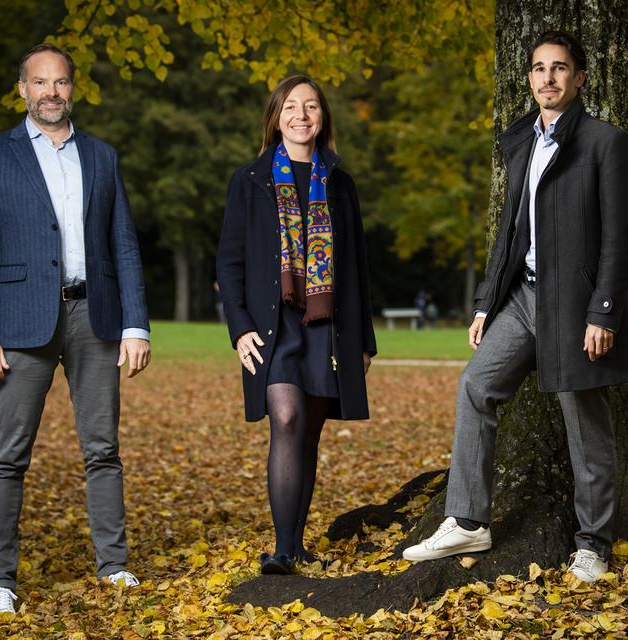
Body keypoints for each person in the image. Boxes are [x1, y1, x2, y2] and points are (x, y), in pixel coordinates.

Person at [403, 31, 628, 582]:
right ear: (528, 78)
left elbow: (621, 238)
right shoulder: (523, 141)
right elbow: (508, 233)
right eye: (539, 69)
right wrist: (485, 306)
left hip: (577, 306)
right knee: (476, 385)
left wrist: (603, 311)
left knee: (584, 420)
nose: (548, 78)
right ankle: (468, 519)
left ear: (578, 78)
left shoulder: (605, 142)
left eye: (559, 68)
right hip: (525, 298)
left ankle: (593, 544)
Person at [0, 44, 151, 615]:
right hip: (19, 322)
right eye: (40, 83)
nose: (51, 93)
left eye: (60, 83)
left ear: (72, 89)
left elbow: (124, 244)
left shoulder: (102, 157)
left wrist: (136, 324)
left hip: (95, 316)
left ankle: (114, 566)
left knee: (103, 450)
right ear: (22, 89)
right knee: (8, 455)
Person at [217, 75, 376, 575]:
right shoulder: (250, 180)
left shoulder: (340, 182)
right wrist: (239, 327)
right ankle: (283, 550)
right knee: (285, 418)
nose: (301, 115)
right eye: (291, 107)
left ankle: (297, 543)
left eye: (311, 107)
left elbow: (357, 267)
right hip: (272, 325)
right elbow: (229, 262)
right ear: (276, 116)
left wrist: (363, 342)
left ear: (322, 117)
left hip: (325, 328)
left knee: (308, 432)